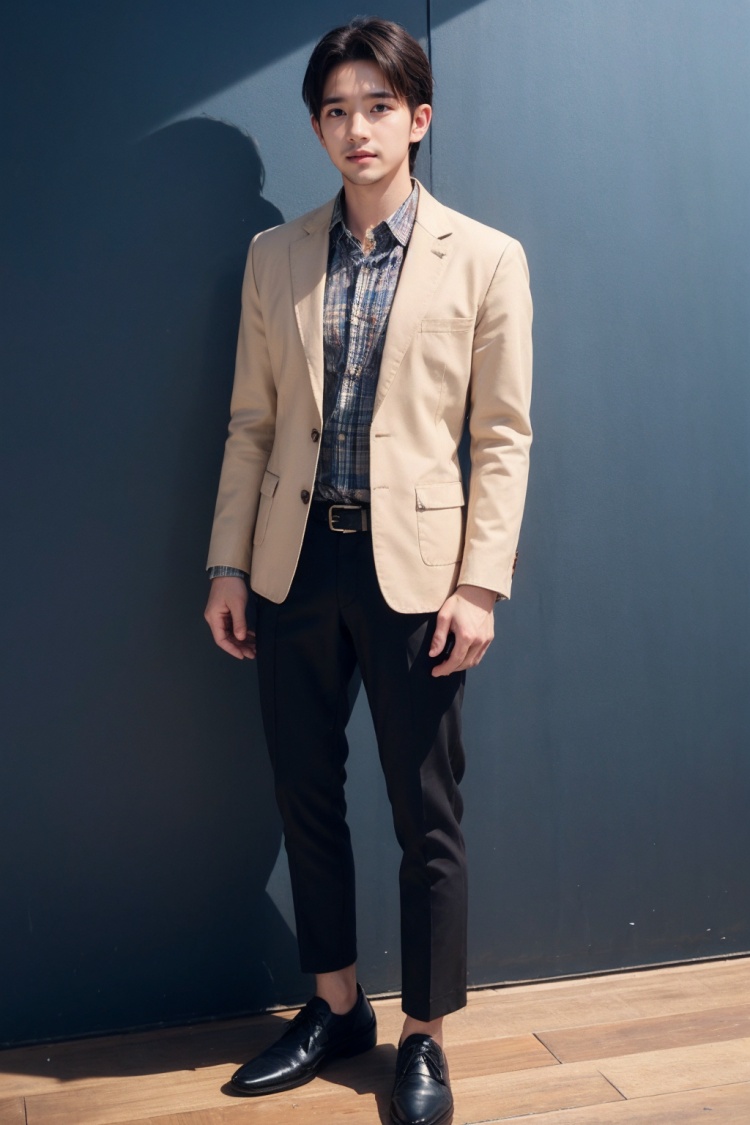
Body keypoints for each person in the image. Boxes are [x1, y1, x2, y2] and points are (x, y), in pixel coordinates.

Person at [203, 17, 532, 1125]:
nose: (358, 128)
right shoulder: (276, 257)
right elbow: (252, 425)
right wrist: (229, 564)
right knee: (304, 792)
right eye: (337, 110)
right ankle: (336, 1005)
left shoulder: (485, 258)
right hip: (293, 562)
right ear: (317, 128)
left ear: (417, 119)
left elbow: (501, 436)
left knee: (424, 810)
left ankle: (424, 1035)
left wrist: (479, 584)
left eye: (379, 107)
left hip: (417, 577)